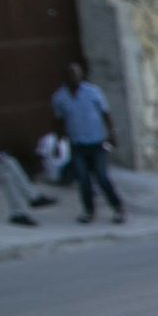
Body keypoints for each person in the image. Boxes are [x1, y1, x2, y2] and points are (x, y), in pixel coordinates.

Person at [50, 60, 127, 224]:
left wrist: (112, 134)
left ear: (81, 75)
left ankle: (117, 207)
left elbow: (106, 113)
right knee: (83, 180)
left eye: (77, 73)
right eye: (70, 74)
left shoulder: (93, 92)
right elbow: (59, 122)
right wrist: (58, 143)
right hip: (77, 144)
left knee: (102, 177)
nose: (74, 77)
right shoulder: (60, 98)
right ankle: (88, 210)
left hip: (96, 143)